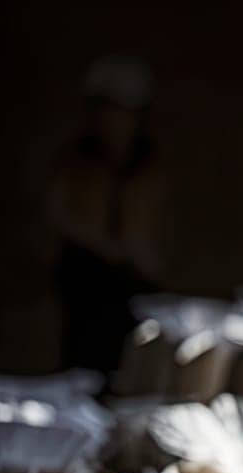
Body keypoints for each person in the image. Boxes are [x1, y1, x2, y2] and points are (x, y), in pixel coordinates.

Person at [45, 56, 166, 378]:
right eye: (111, 110)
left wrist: (143, 259)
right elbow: (57, 212)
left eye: (127, 112)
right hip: (87, 277)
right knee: (86, 366)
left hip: (134, 282)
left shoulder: (147, 164)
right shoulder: (77, 161)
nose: (118, 121)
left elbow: (151, 222)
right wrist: (104, 244)